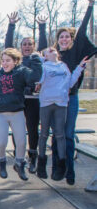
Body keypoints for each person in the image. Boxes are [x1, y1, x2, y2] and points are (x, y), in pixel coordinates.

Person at [52, 0, 97, 185]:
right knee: (56, 135)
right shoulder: (53, 56)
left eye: (67, 36)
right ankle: (57, 168)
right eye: (61, 37)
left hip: (71, 98)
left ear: (71, 39)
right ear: (57, 40)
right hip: (54, 100)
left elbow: (83, 28)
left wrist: (90, 6)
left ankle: (70, 171)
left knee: (68, 135)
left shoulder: (76, 51)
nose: (63, 39)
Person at [0, 48, 42, 181]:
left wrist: (36, 59)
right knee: (1, 142)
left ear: (15, 61)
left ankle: (19, 164)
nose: (5, 63)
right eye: (3, 60)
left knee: (21, 142)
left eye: (8, 61)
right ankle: (1, 163)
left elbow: (35, 77)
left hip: (17, 112)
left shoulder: (22, 72)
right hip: (0, 113)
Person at [35, 48, 88, 181]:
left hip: (61, 104)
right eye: (47, 51)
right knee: (44, 134)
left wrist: (80, 67)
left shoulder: (63, 66)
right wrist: (39, 60)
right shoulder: (44, 66)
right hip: (46, 103)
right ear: (45, 55)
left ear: (57, 54)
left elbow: (70, 82)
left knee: (60, 134)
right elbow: (38, 80)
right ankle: (41, 165)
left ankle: (61, 165)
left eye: (52, 50)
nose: (50, 50)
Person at [5, 11, 48, 173]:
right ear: (21, 47)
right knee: (17, 129)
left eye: (30, 44)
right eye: (24, 44)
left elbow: (45, 48)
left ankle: (32, 157)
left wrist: (42, 27)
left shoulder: (38, 58)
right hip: (18, 99)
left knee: (32, 129)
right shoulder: (16, 60)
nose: (27, 46)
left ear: (34, 46)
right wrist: (11, 25)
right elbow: (8, 46)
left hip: (34, 99)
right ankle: (19, 157)